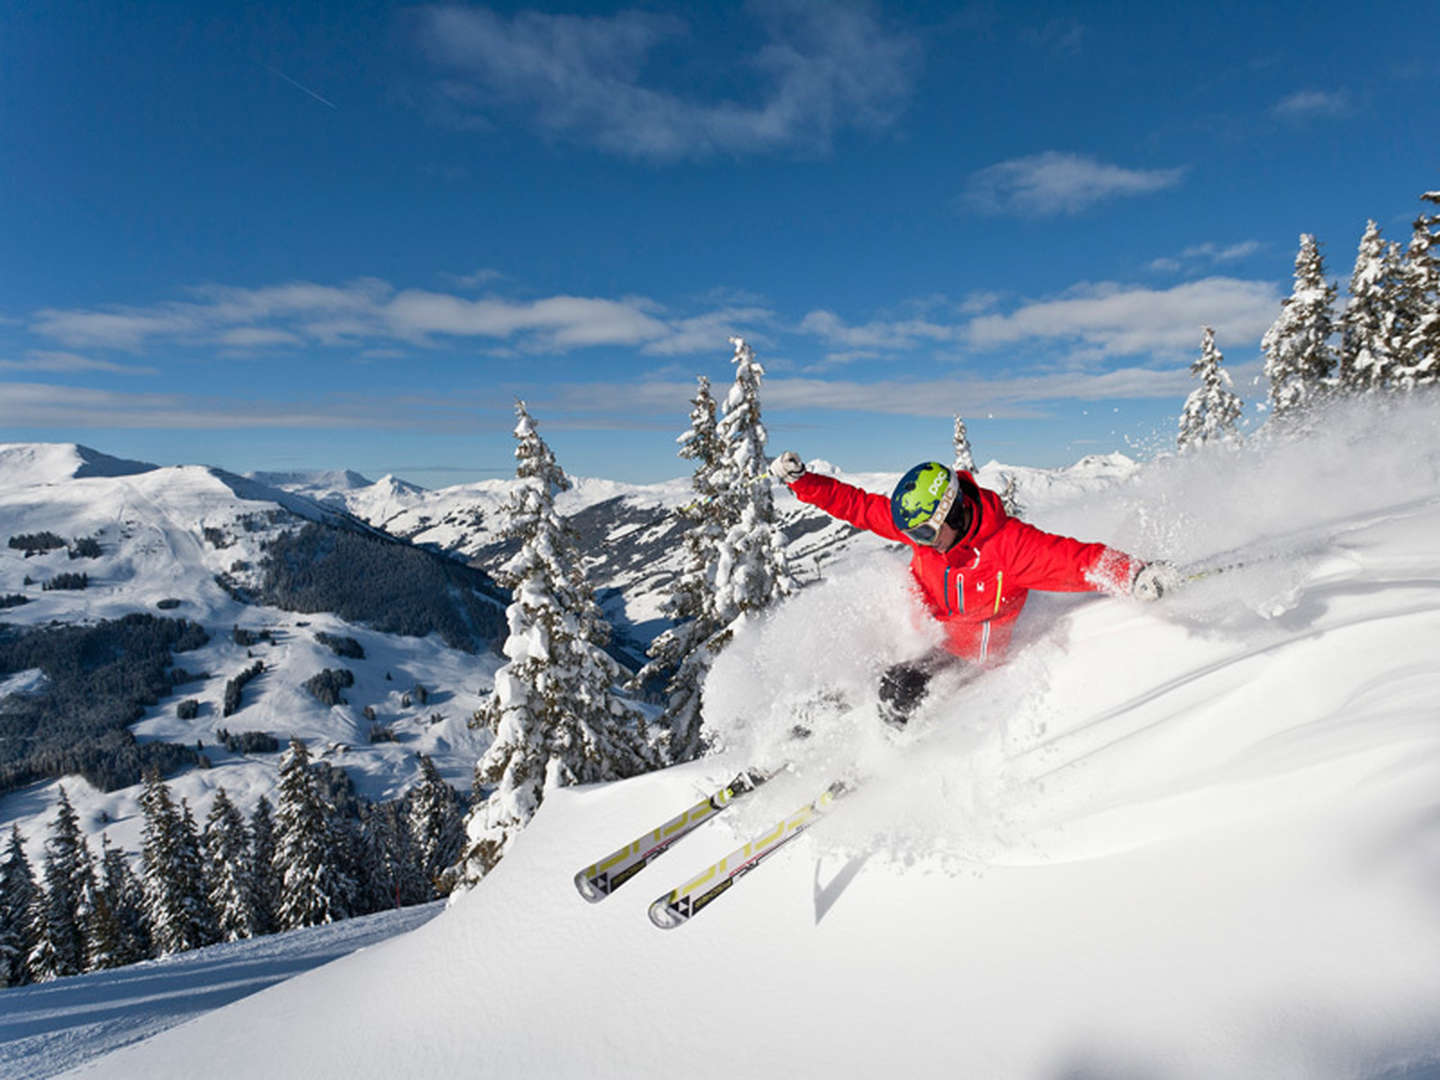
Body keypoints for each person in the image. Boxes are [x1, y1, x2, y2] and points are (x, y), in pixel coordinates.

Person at [770, 451, 1176, 726]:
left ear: (954, 509)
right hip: (922, 633)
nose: (919, 541)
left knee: (896, 688)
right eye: (913, 534)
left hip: (966, 658)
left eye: (925, 532)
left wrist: (1134, 574)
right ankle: (804, 736)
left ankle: (880, 760)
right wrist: (803, 483)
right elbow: (857, 505)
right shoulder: (929, 530)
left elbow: (1077, 560)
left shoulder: (1009, 547)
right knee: (848, 677)